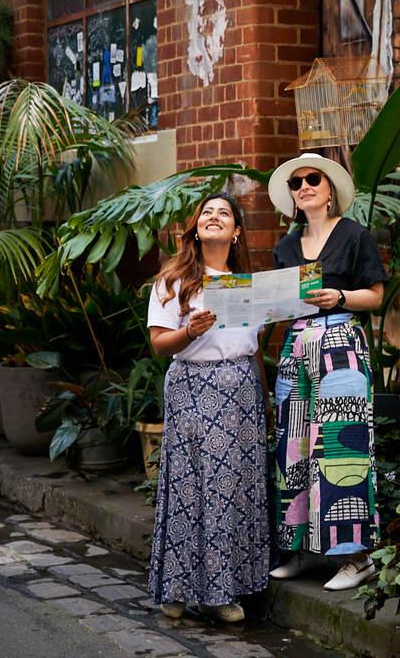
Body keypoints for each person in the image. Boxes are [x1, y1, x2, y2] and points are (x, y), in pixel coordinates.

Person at [266, 153, 388, 591]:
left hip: (341, 344)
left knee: (342, 451)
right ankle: (301, 549)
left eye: (312, 179)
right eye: (296, 183)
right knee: (292, 448)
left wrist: (339, 296)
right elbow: (279, 303)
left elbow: (375, 296)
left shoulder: (355, 236)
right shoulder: (285, 247)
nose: (304, 187)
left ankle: (356, 558)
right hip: (296, 346)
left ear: (330, 189)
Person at [146, 193, 268, 622]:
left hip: (241, 391)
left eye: (225, 214)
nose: (214, 217)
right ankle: (177, 589)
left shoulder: (249, 285)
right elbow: (160, 344)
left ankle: (224, 591)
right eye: (207, 213)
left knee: (233, 488)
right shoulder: (173, 281)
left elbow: (254, 348)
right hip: (193, 386)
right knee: (190, 484)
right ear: (195, 227)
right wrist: (189, 333)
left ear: (236, 232)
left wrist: (264, 399)